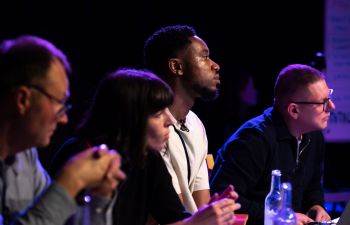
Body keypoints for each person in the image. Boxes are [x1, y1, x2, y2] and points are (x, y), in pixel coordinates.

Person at [51, 68, 241, 225]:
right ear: (129, 119)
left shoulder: (147, 157)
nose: (171, 120)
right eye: (158, 113)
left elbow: (173, 219)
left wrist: (206, 216)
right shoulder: (79, 157)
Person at [0, 35, 125, 225]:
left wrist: (99, 198)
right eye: (59, 103)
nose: (64, 119)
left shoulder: (25, 156)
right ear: (22, 100)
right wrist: (71, 181)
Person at [210, 64, 334, 225]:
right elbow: (223, 198)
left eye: (329, 98)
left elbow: (313, 185)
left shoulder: (314, 135)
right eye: (322, 102)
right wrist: (280, 216)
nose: (331, 107)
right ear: (294, 110)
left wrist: (316, 205)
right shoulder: (254, 140)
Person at [143, 25, 236, 215]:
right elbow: (169, 214)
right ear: (176, 67)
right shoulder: (152, 130)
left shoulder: (195, 124)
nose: (215, 65)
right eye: (204, 56)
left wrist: (213, 213)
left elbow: (200, 205)